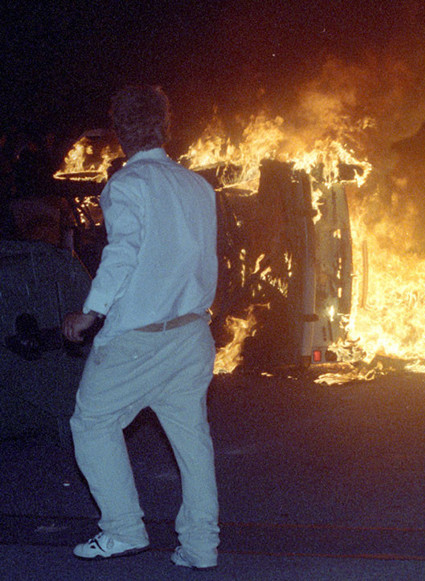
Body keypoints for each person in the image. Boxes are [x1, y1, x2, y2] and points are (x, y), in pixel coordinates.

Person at [62, 85, 220, 569]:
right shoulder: (198, 185)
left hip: (139, 338)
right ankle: (200, 547)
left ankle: (123, 529)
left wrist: (89, 312)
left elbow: (123, 253)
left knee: (92, 423)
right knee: (192, 441)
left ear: (120, 133)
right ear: (164, 127)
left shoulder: (127, 185)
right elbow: (204, 260)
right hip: (192, 333)